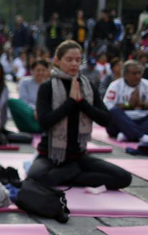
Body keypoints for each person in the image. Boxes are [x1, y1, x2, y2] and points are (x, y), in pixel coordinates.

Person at [27, 40, 131, 190]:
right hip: (50, 154)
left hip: (79, 155)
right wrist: (70, 102)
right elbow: (44, 122)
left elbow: (106, 120)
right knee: (36, 177)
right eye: (69, 60)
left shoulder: (87, 86)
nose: (74, 64)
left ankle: (69, 175)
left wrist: (82, 103)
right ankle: (73, 173)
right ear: (57, 61)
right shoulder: (47, 87)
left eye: (78, 60)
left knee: (123, 178)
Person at [104, 60, 148, 143]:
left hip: (142, 120)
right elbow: (107, 105)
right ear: (125, 75)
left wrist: (141, 104)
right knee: (114, 111)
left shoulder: (146, 84)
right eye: (134, 73)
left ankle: (127, 134)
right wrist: (129, 105)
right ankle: (140, 136)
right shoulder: (115, 85)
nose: (138, 76)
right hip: (122, 121)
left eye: (139, 73)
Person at [8, 60, 49, 134]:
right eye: (38, 70)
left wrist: (40, 111)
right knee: (13, 102)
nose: (40, 73)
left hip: (43, 115)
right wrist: (35, 110)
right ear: (32, 71)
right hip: (29, 112)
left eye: (43, 70)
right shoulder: (24, 82)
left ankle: (39, 127)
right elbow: (23, 101)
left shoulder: (49, 84)